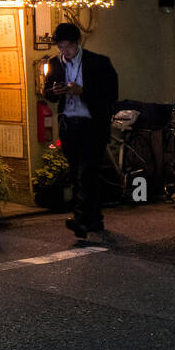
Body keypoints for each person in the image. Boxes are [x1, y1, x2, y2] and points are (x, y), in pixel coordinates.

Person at [44, 22, 118, 239]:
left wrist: (82, 91)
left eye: (68, 46)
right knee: (81, 173)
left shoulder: (98, 63)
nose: (64, 51)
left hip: (92, 125)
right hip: (69, 125)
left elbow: (111, 93)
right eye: (60, 46)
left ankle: (80, 220)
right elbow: (47, 92)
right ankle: (95, 219)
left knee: (86, 172)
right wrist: (54, 91)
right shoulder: (55, 64)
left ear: (77, 44)